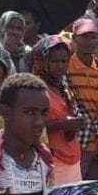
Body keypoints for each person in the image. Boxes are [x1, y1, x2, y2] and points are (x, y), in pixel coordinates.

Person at [31, 36, 87, 186]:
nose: (60, 66)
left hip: (72, 157)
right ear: (43, 61)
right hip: (51, 159)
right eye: (55, 61)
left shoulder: (64, 88)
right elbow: (30, 127)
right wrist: (61, 124)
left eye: (64, 61)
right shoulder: (35, 90)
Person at [68, 19, 98, 181]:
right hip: (76, 143)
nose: (90, 41)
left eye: (93, 37)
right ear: (74, 39)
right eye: (85, 37)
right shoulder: (66, 67)